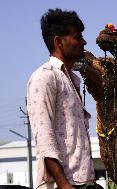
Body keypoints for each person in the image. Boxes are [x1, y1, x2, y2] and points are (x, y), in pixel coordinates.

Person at [27, 8, 103, 189]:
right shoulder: (44, 77)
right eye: (77, 37)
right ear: (59, 42)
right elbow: (44, 137)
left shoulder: (71, 79)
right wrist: (63, 184)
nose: (84, 42)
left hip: (83, 182)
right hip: (64, 184)